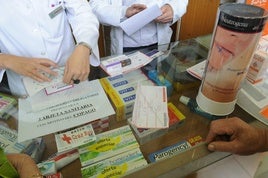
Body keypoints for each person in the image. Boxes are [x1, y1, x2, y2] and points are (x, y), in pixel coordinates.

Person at [0, 1, 100, 97]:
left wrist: (84, 45)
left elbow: (82, 13)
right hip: (25, 89)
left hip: (72, 75)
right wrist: (6, 60)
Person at [89, 0, 188, 55]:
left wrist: (173, 8)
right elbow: (95, 6)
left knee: (155, 82)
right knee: (127, 84)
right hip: (126, 46)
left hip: (158, 42)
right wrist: (124, 12)